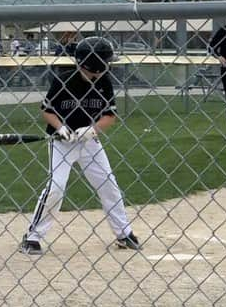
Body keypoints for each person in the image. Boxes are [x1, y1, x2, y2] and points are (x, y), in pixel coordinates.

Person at [19, 36, 140, 254]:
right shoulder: (63, 80)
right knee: (56, 187)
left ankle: (123, 233)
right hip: (61, 144)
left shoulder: (104, 82)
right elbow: (47, 110)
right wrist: (61, 128)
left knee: (108, 184)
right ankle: (32, 236)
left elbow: (110, 115)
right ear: (92, 64)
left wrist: (92, 130)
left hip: (89, 143)